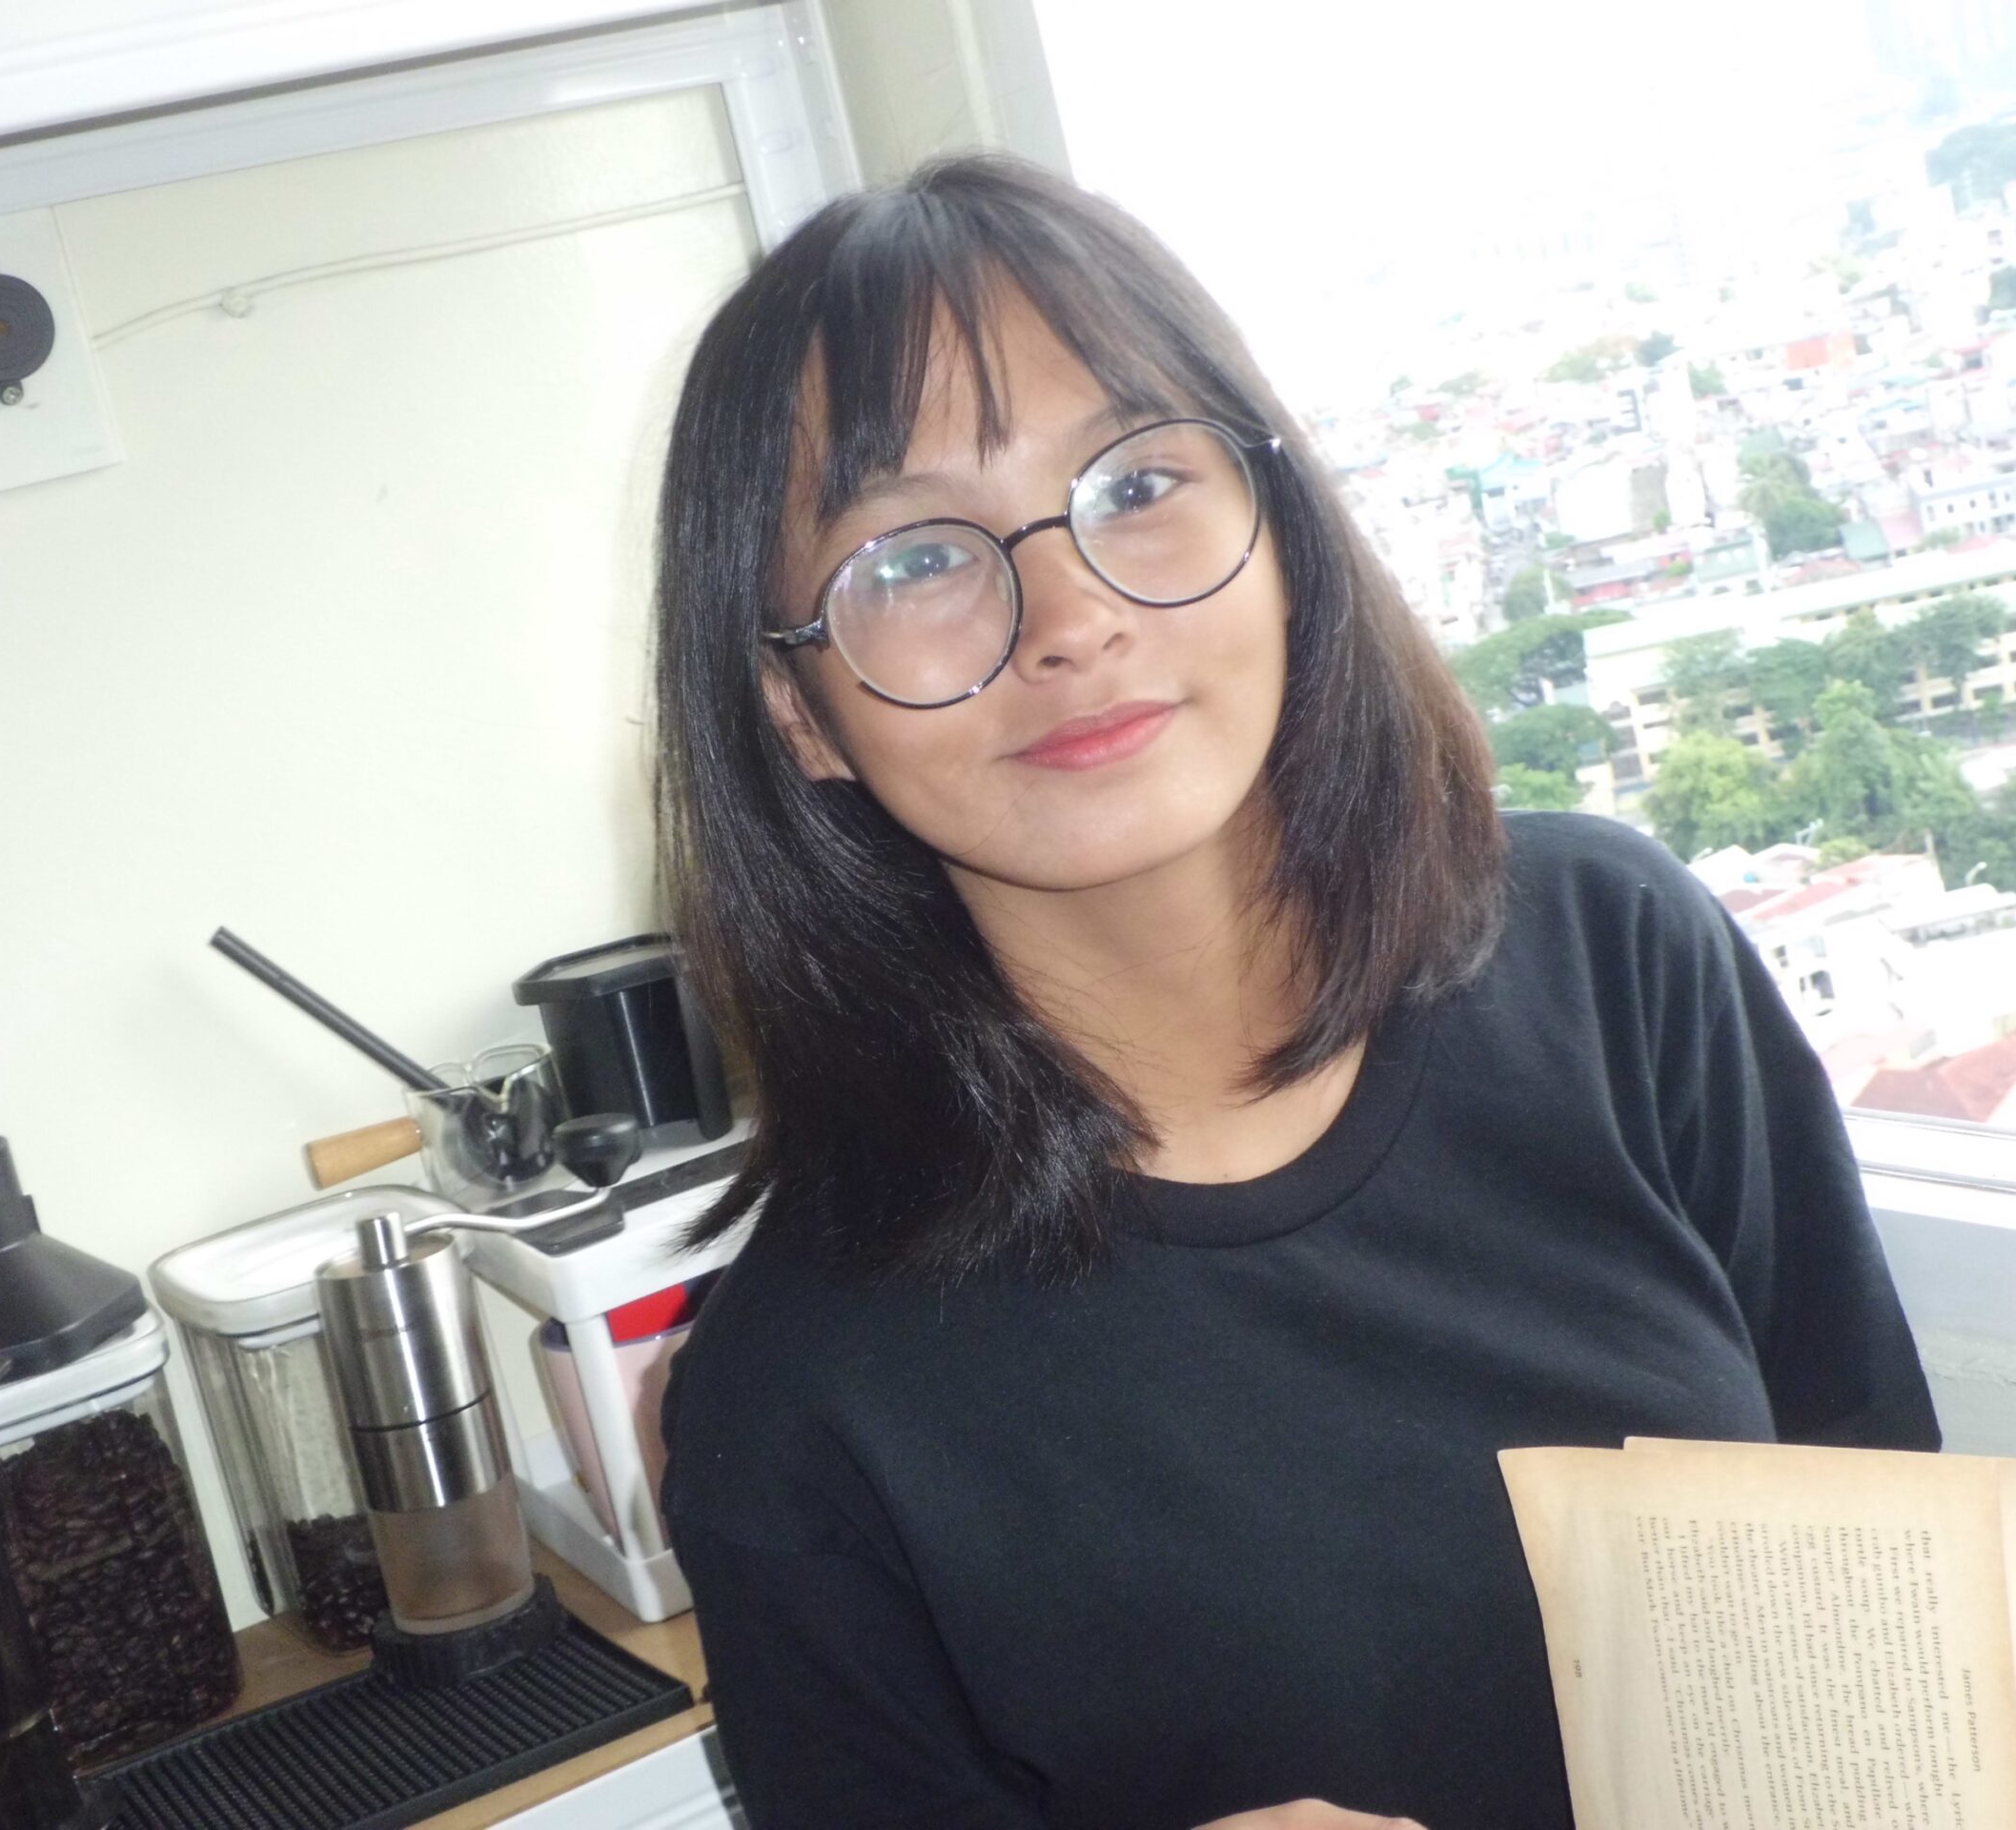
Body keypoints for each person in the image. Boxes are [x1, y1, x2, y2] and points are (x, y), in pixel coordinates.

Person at [652, 155, 1938, 1830]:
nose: (1071, 618)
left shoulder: (1614, 960)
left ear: (1279, 524)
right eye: (911, 561)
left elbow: (1890, 1557)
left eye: (1135, 482)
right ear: (798, 710)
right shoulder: (794, 1405)